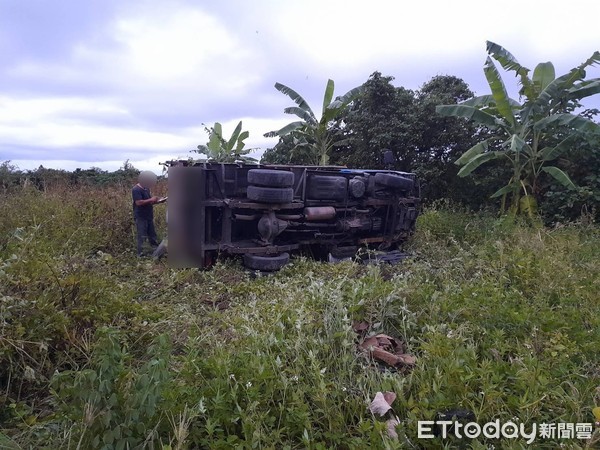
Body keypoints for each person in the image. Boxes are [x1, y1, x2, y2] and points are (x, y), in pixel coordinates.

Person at [132, 171, 160, 256]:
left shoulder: (146, 188)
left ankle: (156, 253)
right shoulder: (136, 189)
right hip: (141, 216)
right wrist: (151, 200)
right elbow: (138, 203)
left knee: (152, 234)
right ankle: (141, 255)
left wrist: (157, 201)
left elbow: (148, 201)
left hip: (148, 215)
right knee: (142, 236)